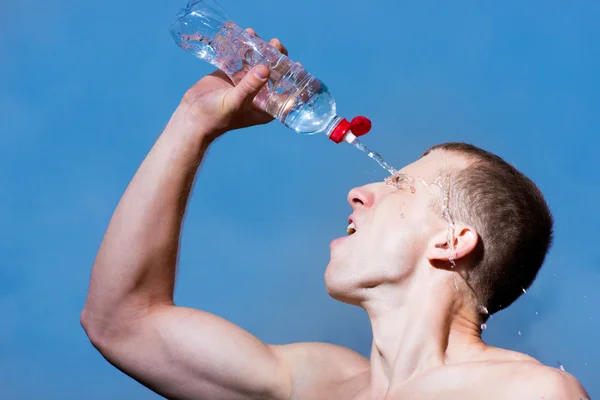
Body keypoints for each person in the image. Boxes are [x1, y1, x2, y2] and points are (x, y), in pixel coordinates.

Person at [81, 31, 589, 400]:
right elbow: (121, 322)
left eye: (398, 183)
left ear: (451, 241)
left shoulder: (527, 391)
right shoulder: (315, 384)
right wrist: (193, 122)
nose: (356, 193)